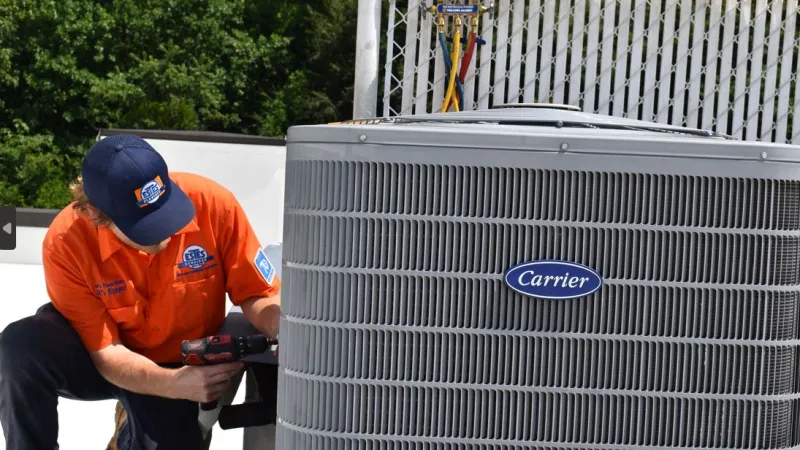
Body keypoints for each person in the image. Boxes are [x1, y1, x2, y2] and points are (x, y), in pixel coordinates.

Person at [0, 134, 282, 450]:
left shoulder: (215, 205)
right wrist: (174, 386)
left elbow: (258, 294)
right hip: (104, 359)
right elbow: (107, 353)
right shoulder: (66, 243)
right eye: (145, 225)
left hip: (180, 362)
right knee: (19, 347)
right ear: (94, 214)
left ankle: (129, 431)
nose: (167, 231)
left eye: (167, 211)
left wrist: (284, 327)